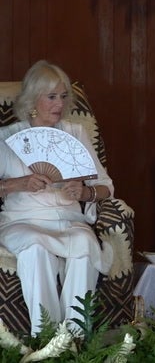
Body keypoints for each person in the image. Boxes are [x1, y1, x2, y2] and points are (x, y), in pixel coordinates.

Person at [0, 60, 114, 334]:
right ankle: (47, 337)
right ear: (32, 100)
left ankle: (74, 337)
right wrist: (17, 184)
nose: (59, 104)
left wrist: (85, 191)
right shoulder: (7, 138)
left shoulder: (76, 133)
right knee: (35, 248)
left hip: (70, 219)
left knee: (84, 243)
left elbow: (107, 186)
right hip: (23, 220)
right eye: (51, 97)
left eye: (63, 96)